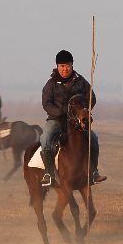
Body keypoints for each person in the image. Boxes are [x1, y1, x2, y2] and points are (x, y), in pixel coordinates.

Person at [39, 49, 106, 187]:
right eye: (62, 66)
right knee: (45, 138)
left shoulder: (81, 82)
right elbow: (46, 104)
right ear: (57, 66)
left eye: (67, 65)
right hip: (56, 120)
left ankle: (93, 172)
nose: (65, 69)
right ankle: (48, 173)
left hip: (77, 122)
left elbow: (91, 97)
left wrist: (84, 111)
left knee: (93, 138)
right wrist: (60, 112)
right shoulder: (50, 84)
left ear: (72, 65)